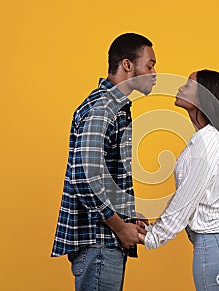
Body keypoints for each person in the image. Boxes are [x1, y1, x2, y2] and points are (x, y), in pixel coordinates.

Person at [51, 33, 156, 291]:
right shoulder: (103, 107)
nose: (154, 73)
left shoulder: (115, 107)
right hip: (98, 243)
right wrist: (120, 227)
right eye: (150, 65)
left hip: (103, 243)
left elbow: (103, 176)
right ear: (127, 65)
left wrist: (128, 215)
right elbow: (86, 177)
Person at [139, 70, 219, 290]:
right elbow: (190, 196)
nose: (180, 87)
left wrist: (151, 237)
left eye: (189, 85)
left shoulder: (205, 145)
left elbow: (185, 203)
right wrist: (153, 226)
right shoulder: (211, 137)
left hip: (214, 242)